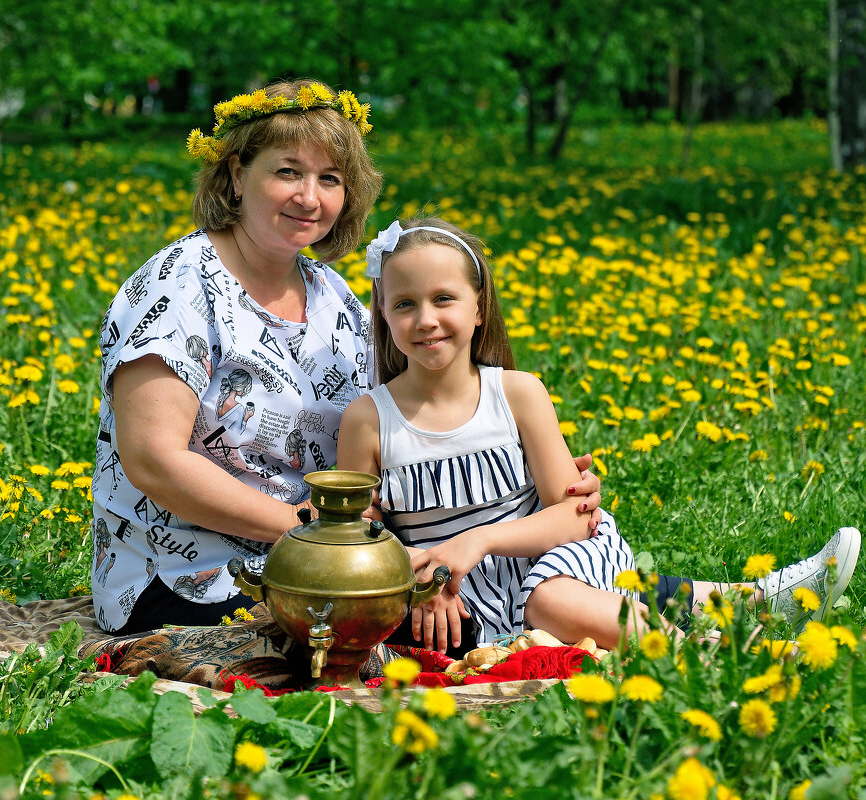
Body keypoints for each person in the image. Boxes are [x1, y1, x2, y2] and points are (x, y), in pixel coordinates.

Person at [89, 80, 601, 634]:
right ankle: (647, 617)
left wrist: (543, 485)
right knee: (452, 628)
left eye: (329, 178)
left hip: (332, 555)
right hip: (194, 575)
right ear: (237, 175)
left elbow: (410, 420)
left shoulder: (334, 296)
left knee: (471, 596)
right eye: (288, 172)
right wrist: (308, 527)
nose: (310, 197)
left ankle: (660, 600)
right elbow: (152, 460)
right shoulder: (178, 288)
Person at [336, 218, 861, 653]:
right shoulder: (369, 419)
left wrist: (480, 539)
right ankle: (750, 602)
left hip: (550, 558)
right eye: (404, 303)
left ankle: (712, 653)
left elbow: (573, 516)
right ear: (381, 312)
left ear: (479, 309)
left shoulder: (516, 395)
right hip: (455, 599)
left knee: (548, 601)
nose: (425, 319)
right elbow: (356, 540)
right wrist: (422, 584)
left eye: (444, 298)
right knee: (518, 619)